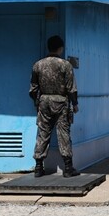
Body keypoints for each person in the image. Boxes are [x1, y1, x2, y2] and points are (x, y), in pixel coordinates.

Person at [29, 35, 80, 178]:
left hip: (44, 101)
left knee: (43, 133)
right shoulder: (65, 65)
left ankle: (38, 167)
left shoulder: (37, 65)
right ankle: (68, 168)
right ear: (60, 48)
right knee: (63, 133)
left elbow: (33, 89)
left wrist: (37, 102)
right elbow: (71, 88)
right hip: (61, 101)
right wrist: (75, 104)